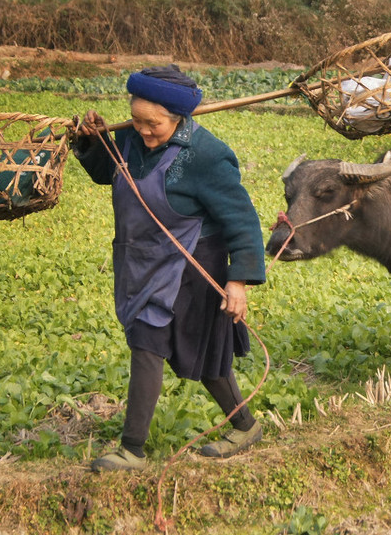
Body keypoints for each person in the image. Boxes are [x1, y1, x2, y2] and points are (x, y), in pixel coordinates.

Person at [72, 64, 267, 472]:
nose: (144, 131)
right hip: (141, 261)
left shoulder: (206, 155)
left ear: (178, 118)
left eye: (153, 124)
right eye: (137, 120)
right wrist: (90, 142)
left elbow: (242, 219)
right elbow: (107, 171)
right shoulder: (128, 136)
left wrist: (238, 281)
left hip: (192, 266)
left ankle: (132, 450)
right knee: (162, 343)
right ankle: (245, 426)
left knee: (168, 346)